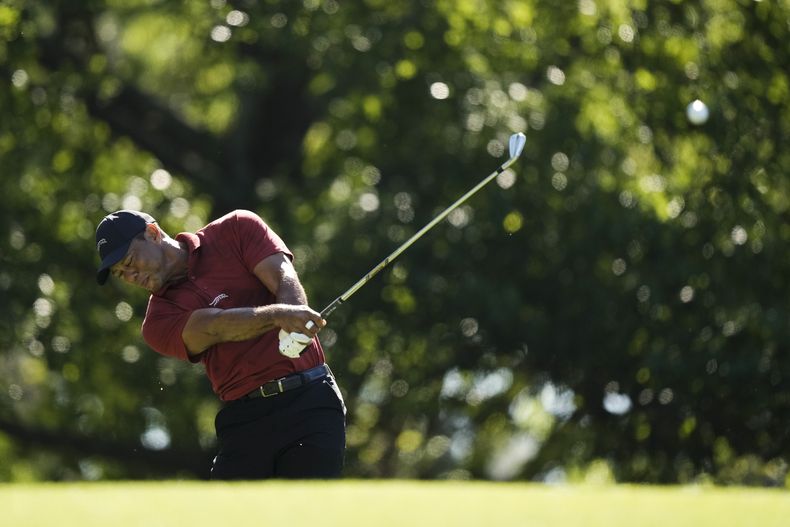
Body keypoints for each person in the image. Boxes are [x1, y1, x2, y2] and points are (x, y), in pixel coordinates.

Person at [94, 208, 346, 479]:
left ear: (153, 233)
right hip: (246, 419)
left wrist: (295, 315)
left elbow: (283, 275)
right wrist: (280, 316)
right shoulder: (157, 322)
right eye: (121, 274)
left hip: (310, 400)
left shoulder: (236, 228)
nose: (131, 276)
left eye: (131, 261)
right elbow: (215, 327)